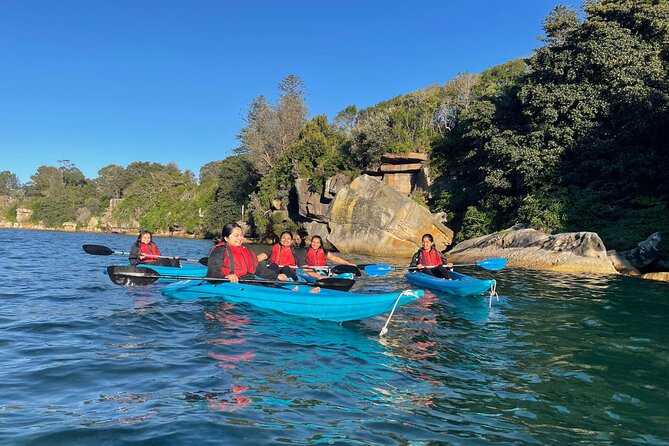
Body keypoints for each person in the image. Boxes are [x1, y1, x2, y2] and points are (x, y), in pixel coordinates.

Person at [207, 222, 288, 283]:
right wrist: (225, 277)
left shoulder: (247, 249)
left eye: (242, 235)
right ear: (226, 238)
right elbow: (212, 274)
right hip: (232, 284)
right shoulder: (219, 251)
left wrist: (276, 276)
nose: (240, 238)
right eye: (236, 235)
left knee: (274, 285)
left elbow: (257, 269)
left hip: (249, 281)